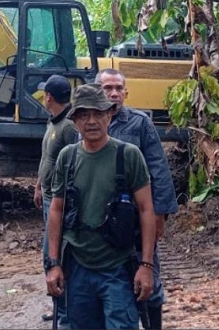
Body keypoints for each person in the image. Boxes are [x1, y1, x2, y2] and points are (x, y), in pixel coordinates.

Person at [46, 84, 156, 330]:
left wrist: (147, 266)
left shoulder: (128, 155)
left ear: (110, 115)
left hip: (117, 265)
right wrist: (53, 263)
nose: (92, 121)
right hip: (78, 265)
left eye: (98, 114)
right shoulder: (68, 157)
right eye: (84, 115)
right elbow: (56, 210)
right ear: (74, 120)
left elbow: (146, 209)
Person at [95, 68, 179, 330]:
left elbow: (158, 168)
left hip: (136, 217)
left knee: (147, 273)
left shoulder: (139, 123)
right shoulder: (87, 122)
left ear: (126, 92)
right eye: (108, 88)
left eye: (119, 88)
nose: (114, 93)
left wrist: (160, 213)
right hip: (99, 218)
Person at [33, 74, 78, 325]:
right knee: (49, 254)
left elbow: (75, 164)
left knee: (53, 255)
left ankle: (64, 310)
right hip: (48, 195)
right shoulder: (53, 123)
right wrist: (39, 184)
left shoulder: (69, 127)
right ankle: (58, 304)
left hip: (58, 201)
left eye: (44, 93)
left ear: (49, 96)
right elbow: (46, 158)